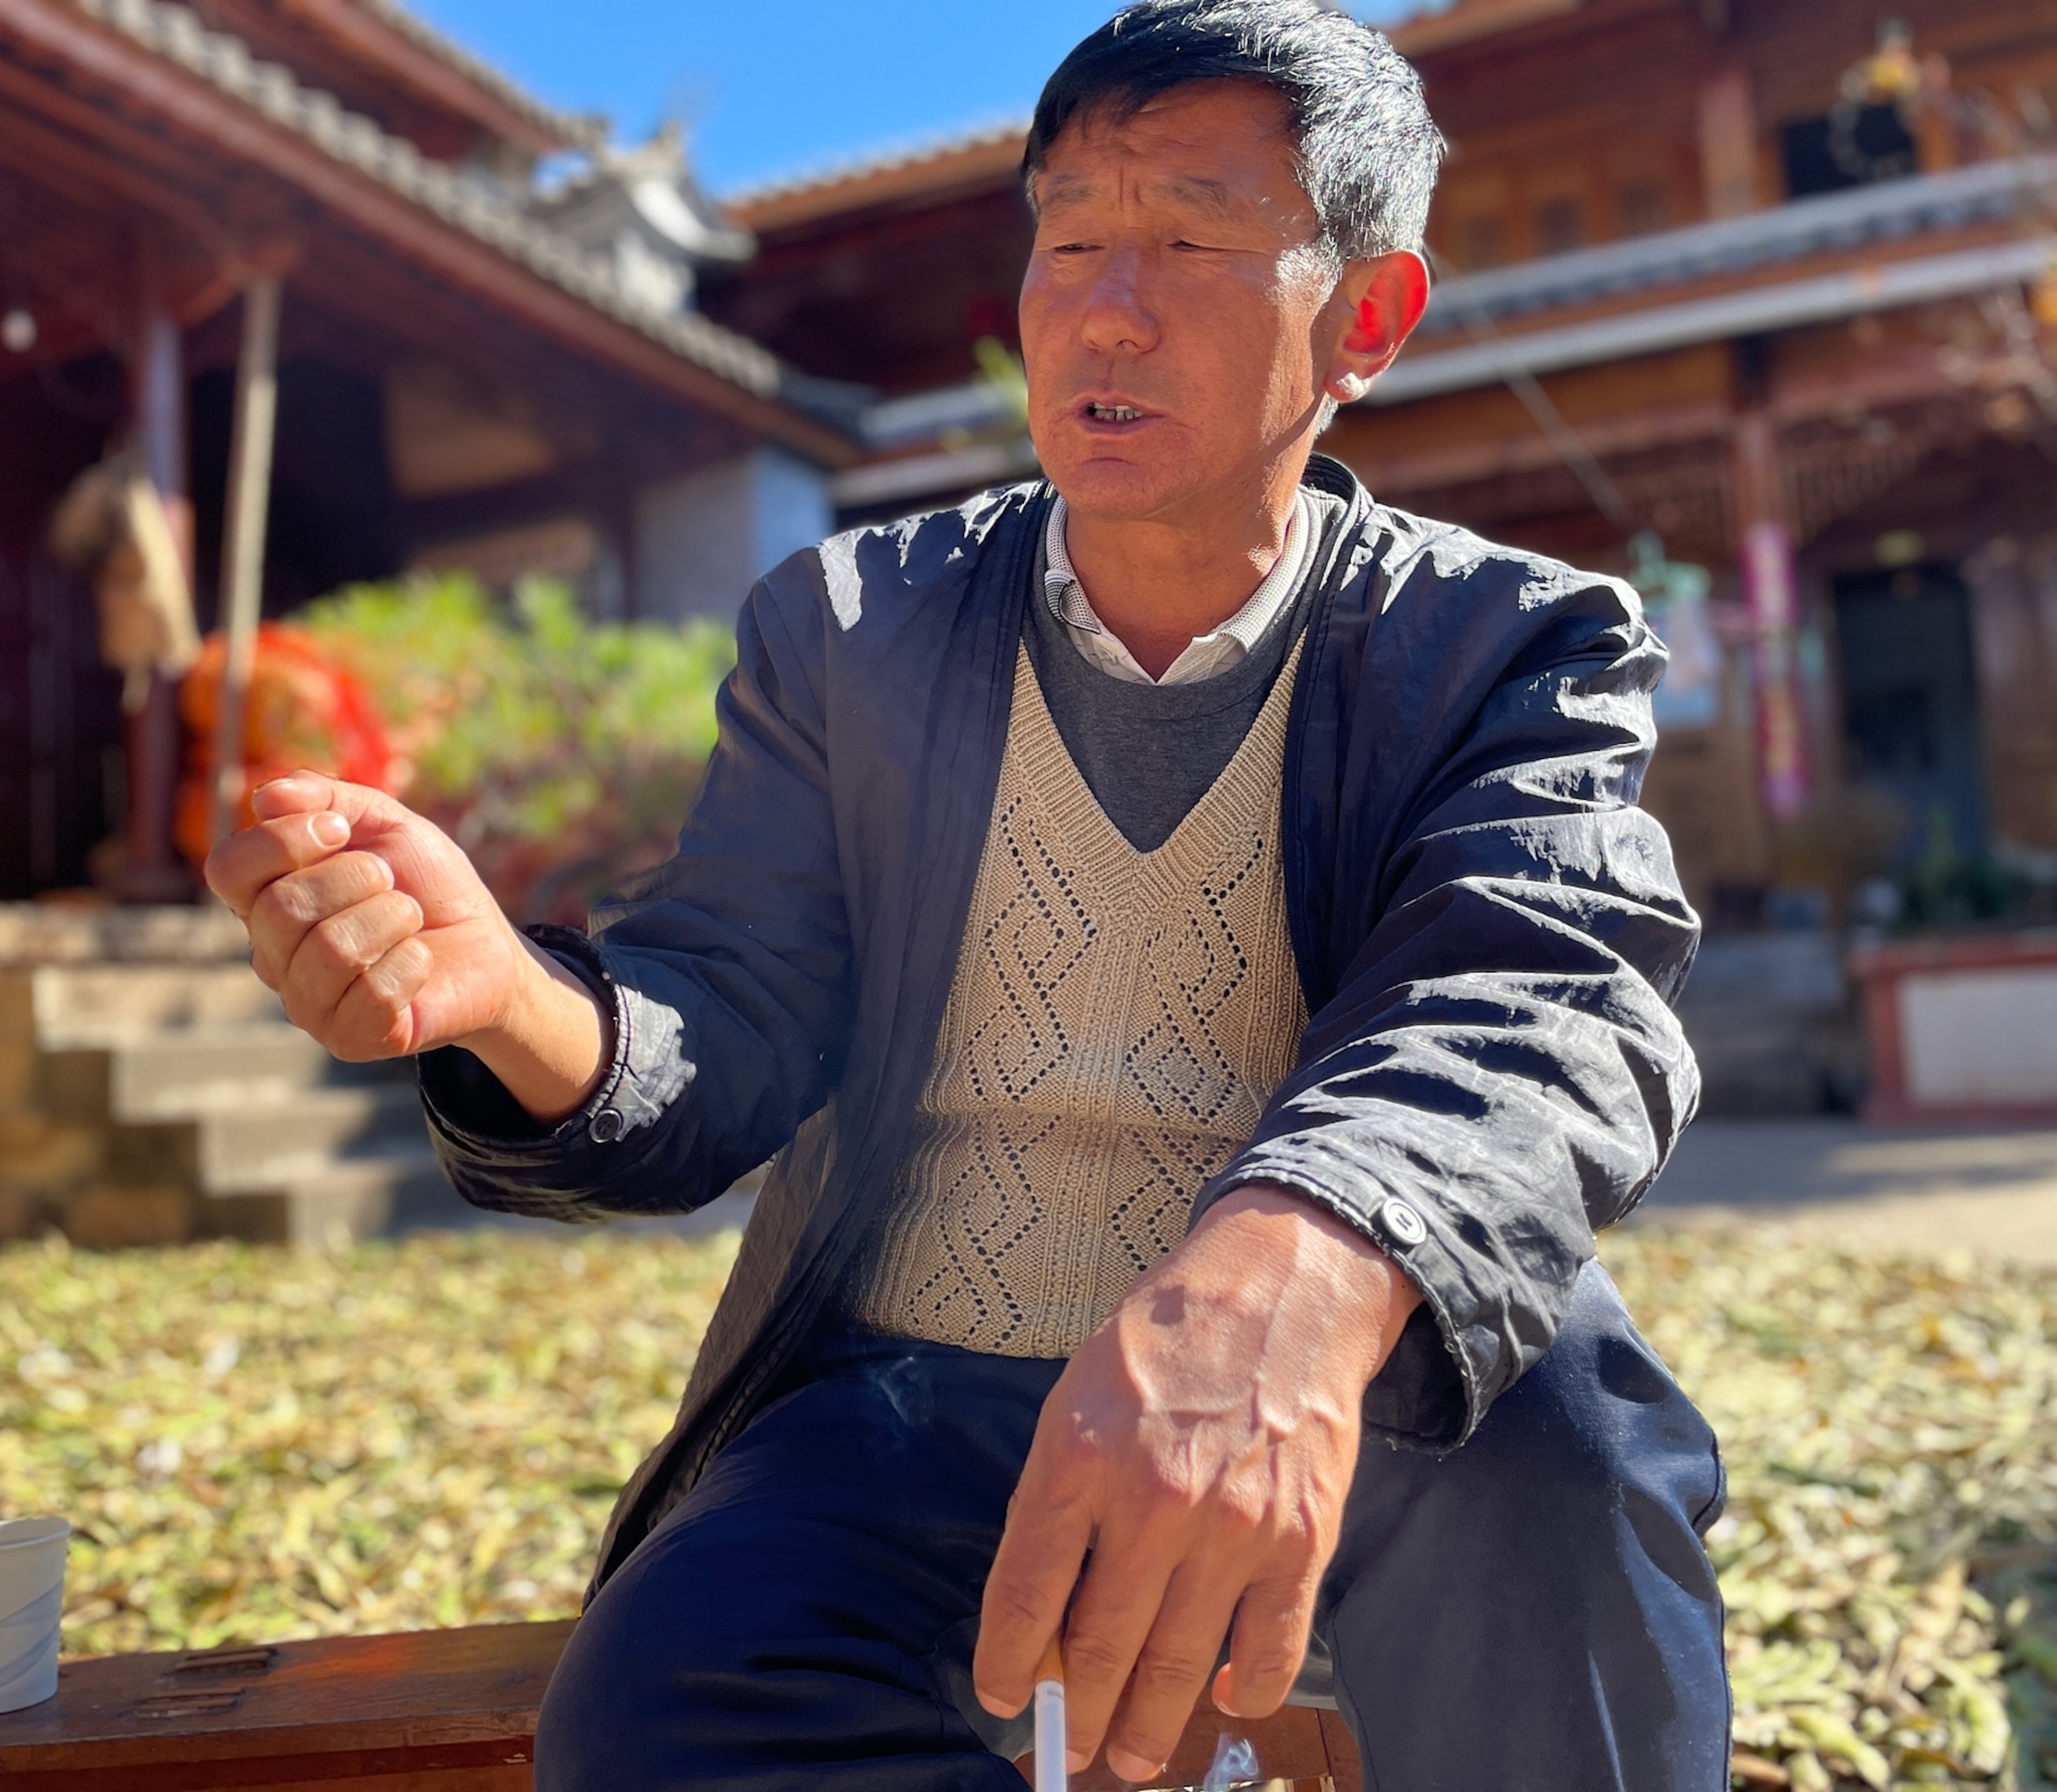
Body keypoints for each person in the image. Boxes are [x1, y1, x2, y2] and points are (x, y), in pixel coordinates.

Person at [204, 3, 1730, 1786]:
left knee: (1572, 1482)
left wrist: (1292, 1276)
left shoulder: (1506, 647)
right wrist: (514, 999)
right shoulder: (851, 630)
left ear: (1365, 320)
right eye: (1071, 238)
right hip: (913, 1390)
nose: (1106, 303)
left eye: (1188, 238)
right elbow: (738, 1014)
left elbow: (1536, 993)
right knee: (666, 1702)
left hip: (1347, 1376)